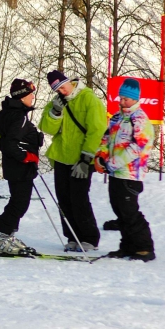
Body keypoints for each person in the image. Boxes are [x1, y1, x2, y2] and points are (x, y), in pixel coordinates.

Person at [39, 69, 107, 252]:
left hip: (82, 158)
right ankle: (72, 236)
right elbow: (47, 128)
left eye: (63, 87)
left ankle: (89, 238)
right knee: (64, 199)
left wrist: (86, 158)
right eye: (57, 90)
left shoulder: (89, 99)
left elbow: (97, 130)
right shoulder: (56, 102)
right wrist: (55, 112)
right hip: (61, 157)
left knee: (79, 198)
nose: (62, 92)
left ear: (69, 82)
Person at [95, 78, 156, 262]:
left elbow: (138, 147)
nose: (122, 102)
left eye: (126, 99)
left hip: (130, 174)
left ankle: (144, 248)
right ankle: (128, 245)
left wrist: (112, 163)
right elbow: (106, 139)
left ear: (135, 99)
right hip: (115, 173)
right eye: (120, 98)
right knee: (119, 210)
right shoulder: (117, 117)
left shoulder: (140, 119)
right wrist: (101, 156)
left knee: (130, 212)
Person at [0, 79, 44, 254]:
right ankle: (0, 237)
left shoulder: (6, 112)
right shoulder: (19, 116)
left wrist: (11, 152)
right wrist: (26, 156)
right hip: (21, 168)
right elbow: (11, 144)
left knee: (18, 201)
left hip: (14, 166)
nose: (33, 97)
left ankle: (7, 236)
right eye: (30, 94)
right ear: (22, 97)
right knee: (19, 204)